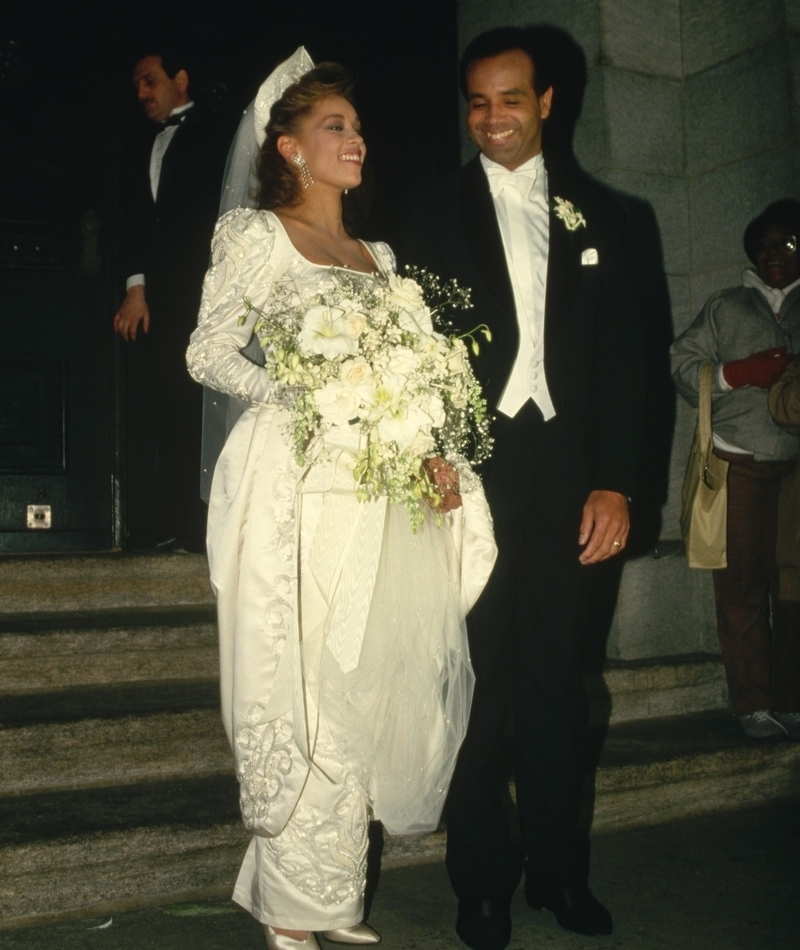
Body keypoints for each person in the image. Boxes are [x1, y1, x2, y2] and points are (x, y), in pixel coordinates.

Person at [186, 51, 496, 950]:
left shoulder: (381, 256)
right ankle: (294, 912)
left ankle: (329, 901)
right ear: (288, 147)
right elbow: (206, 351)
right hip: (299, 487)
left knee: (364, 683)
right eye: (336, 127)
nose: (356, 140)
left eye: (357, 128)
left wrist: (435, 452)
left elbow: (417, 378)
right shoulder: (256, 237)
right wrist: (296, 392)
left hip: (380, 495)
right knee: (307, 686)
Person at [399, 27, 644, 948]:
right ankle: (483, 885)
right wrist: (427, 454)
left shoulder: (609, 219)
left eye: (510, 99)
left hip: (574, 488)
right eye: (476, 102)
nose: (491, 118)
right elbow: (407, 352)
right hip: (467, 482)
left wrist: (617, 485)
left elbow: (625, 365)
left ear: (547, 102)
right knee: (478, 689)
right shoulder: (426, 211)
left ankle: (558, 874)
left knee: (556, 689)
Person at [672, 198, 800, 741]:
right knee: (742, 584)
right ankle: (751, 703)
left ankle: (792, 700)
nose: (775, 254)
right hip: (739, 462)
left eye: (788, 243)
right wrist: (738, 372)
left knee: (794, 588)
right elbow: (681, 364)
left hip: (796, 468)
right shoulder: (726, 305)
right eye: (765, 244)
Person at [114, 51, 228, 551]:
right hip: (161, 303)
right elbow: (134, 218)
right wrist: (135, 287)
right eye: (137, 83)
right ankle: (174, 524)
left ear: (181, 80)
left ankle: (210, 530)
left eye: (149, 81)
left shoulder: (221, 134)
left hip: (213, 299)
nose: (141, 93)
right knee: (165, 409)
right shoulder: (137, 142)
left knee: (209, 412)